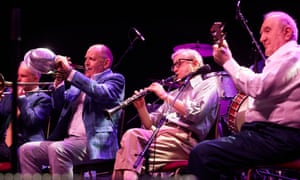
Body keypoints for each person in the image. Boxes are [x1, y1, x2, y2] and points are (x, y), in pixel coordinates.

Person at [188, 11, 300, 179]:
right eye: (261, 33)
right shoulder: (282, 60)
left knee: (202, 154)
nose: (262, 38)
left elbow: (259, 88)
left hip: (278, 137)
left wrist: (228, 62)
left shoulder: (292, 56)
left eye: (267, 30)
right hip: (268, 135)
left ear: (287, 32)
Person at [18, 44, 126, 179]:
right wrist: (59, 82)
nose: (86, 63)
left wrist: (70, 72)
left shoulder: (115, 79)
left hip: (95, 143)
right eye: (86, 58)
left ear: (106, 63)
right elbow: (58, 106)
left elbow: (101, 92)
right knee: (26, 150)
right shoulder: (79, 83)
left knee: (58, 149)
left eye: (91, 59)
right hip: (70, 141)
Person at [112, 48, 220, 179]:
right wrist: (141, 107)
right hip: (161, 137)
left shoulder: (209, 84)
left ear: (195, 63)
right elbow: (149, 124)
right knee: (129, 149)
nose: (174, 69)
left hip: (184, 141)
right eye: (173, 65)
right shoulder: (175, 93)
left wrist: (164, 95)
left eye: (178, 63)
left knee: (129, 147)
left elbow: (195, 114)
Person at [0, 58, 52, 167]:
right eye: (18, 75)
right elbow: (2, 115)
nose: (18, 79)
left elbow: (31, 123)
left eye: (23, 76)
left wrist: (22, 98)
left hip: (25, 143)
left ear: (35, 78)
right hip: (4, 143)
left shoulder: (44, 99)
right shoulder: (9, 93)